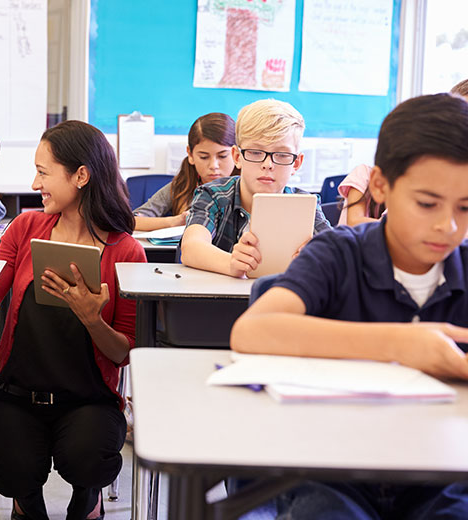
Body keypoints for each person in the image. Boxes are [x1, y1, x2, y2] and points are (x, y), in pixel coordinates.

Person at [231, 93, 468, 518]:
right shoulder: (339, 253)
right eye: (427, 203)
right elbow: (252, 331)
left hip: (444, 473)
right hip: (332, 472)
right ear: (379, 186)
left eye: (466, 207)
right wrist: (403, 344)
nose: (446, 226)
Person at [0, 120, 146, 520]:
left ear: (81, 175)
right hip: (18, 393)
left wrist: (92, 320)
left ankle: (88, 501)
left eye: (43, 171)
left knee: (88, 457)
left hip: (88, 399)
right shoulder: (25, 227)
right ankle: (27, 503)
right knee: (10, 467)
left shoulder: (126, 251)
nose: (35, 183)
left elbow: (124, 352)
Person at [181, 99, 330, 277]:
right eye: (256, 152)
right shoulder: (213, 195)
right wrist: (231, 263)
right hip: (220, 302)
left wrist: (320, 256)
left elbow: (338, 253)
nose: (268, 165)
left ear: (296, 163)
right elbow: (191, 247)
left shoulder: (306, 205)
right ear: (237, 156)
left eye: (282, 155)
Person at [134, 112, 237, 231]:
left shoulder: (247, 185)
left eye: (223, 156)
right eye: (204, 157)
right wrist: (175, 221)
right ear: (190, 154)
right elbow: (132, 221)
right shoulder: (182, 185)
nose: (213, 165)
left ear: (236, 154)